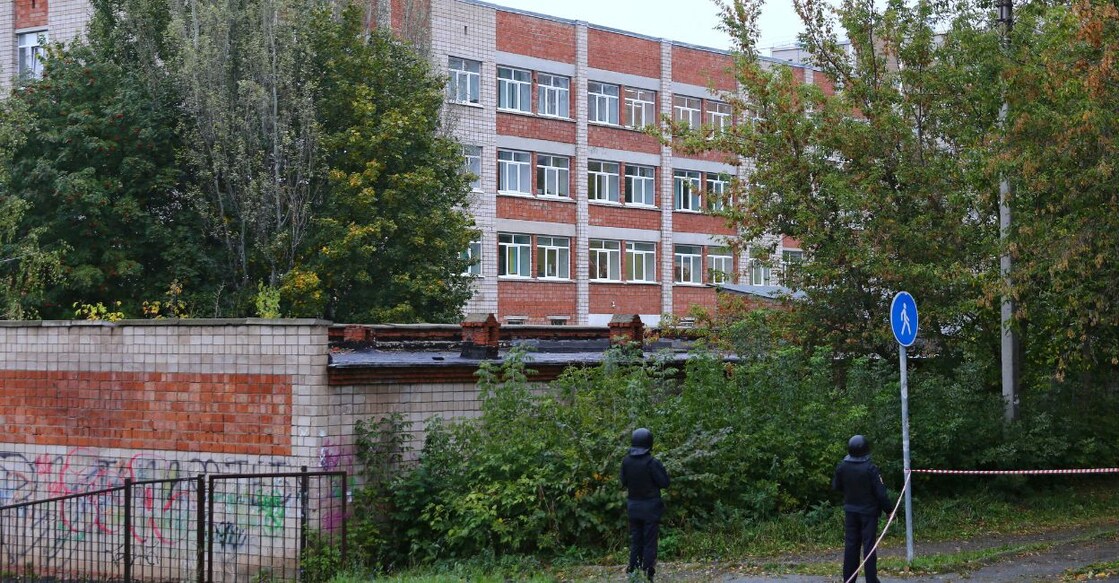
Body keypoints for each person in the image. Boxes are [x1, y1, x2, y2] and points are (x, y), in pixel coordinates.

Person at [833, 434, 891, 583]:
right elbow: (881, 493)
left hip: (851, 512)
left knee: (851, 547)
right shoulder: (870, 468)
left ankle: (849, 580)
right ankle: (871, 580)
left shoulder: (842, 467)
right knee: (869, 548)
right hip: (868, 514)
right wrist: (889, 510)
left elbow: (836, 487)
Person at [620, 427, 670, 582]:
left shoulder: (626, 461)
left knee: (636, 540)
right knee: (649, 541)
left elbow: (623, 482)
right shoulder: (652, 462)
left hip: (633, 507)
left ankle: (633, 572)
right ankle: (648, 573)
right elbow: (664, 483)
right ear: (649, 443)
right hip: (650, 508)